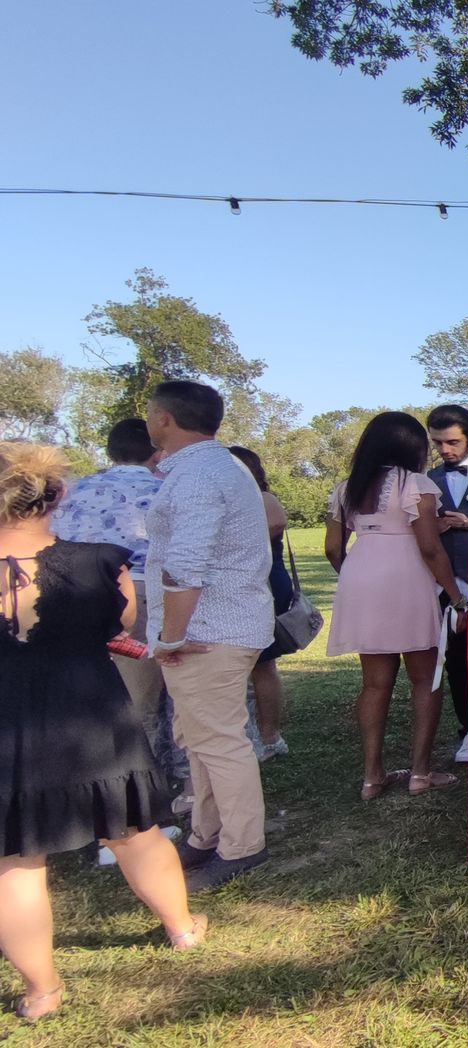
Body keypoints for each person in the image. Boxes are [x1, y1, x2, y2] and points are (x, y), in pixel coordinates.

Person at [0, 443, 208, 1023]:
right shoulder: (100, 562)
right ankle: (183, 927)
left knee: (14, 863)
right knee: (135, 831)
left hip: (8, 723)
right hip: (90, 712)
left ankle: (42, 990)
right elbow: (120, 625)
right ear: (58, 495)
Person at [143, 380, 275, 893]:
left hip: (206, 631)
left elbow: (185, 566)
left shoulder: (199, 474)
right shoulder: (221, 466)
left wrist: (171, 636)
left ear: (164, 419)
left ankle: (242, 845)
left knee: (218, 741)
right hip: (217, 625)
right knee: (198, 738)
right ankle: (206, 833)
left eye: (150, 413)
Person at [324, 412, 467, 801]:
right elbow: (428, 547)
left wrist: (356, 576)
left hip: (361, 576)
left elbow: (333, 548)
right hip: (406, 578)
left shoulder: (347, 488)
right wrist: (455, 597)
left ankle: (372, 776)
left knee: (374, 683)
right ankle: (420, 771)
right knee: (426, 677)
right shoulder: (415, 483)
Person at [49, 418, 186, 788]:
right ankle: (141, 782)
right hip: (141, 591)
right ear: (157, 451)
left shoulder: (74, 492)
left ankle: (86, 773)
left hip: (73, 595)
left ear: (111, 451)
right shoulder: (168, 490)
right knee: (142, 700)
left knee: (85, 692)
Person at [426, 404, 468, 765]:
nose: (445, 450)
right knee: (456, 659)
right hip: (446, 584)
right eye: (438, 443)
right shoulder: (429, 480)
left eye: (452, 442)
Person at [228, 446, 292, 760]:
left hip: (264, 583)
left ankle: (270, 735)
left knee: (263, 662)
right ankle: (250, 731)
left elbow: (276, 524)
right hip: (240, 586)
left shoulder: (263, 498)